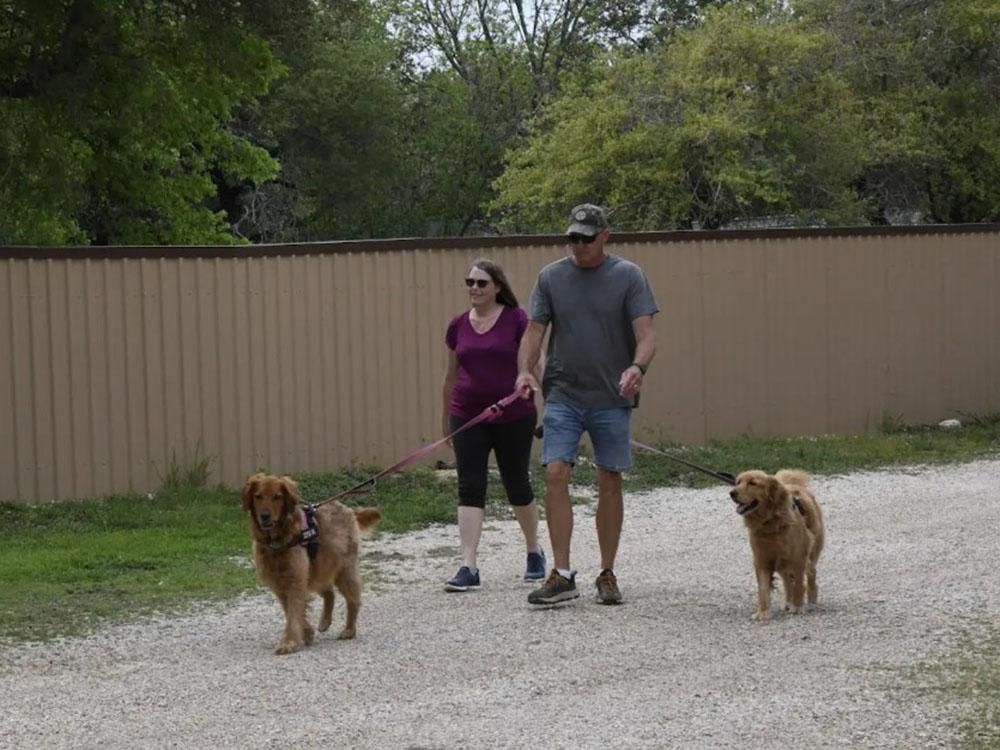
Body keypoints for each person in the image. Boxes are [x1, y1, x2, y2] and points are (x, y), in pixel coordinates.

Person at [515, 204, 658, 605]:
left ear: (605, 236)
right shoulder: (550, 277)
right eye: (572, 238)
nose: (577, 245)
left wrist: (637, 367)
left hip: (612, 397)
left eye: (586, 238)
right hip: (564, 393)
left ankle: (607, 572)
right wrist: (525, 372)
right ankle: (561, 573)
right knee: (556, 472)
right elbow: (534, 332)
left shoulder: (628, 276)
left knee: (609, 479)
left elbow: (646, 335)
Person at [441, 258, 547, 592]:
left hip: (513, 414)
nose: (474, 288)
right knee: (469, 485)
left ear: (497, 287)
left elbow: (534, 361)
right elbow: (451, 375)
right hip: (468, 414)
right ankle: (468, 565)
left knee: (516, 482)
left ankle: (534, 550)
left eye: (481, 283)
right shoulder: (458, 325)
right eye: (470, 282)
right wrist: (446, 419)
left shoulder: (517, 320)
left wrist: (541, 391)